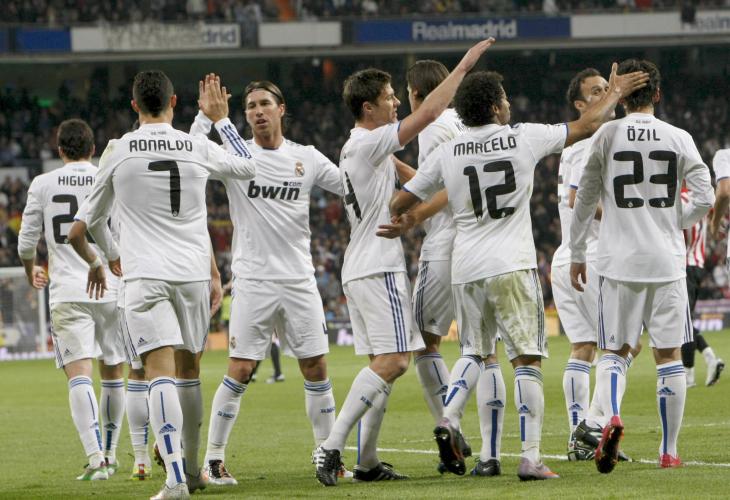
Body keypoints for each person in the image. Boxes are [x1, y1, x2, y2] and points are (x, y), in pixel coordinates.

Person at [389, 64, 649, 480]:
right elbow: (586, 125)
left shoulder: (447, 152)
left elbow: (401, 202)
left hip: (465, 268)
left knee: (473, 353)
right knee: (526, 360)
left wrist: (404, 218)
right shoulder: (523, 137)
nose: (509, 103)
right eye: (505, 98)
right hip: (512, 263)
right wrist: (615, 93)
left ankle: (449, 417)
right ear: (495, 107)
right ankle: (530, 458)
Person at [312, 38, 497, 487]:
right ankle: (331, 446)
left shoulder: (358, 146)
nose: (396, 102)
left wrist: (414, 185)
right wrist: (463, 67)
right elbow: (429, 113)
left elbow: (417, 180)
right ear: (368, 107)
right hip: (379, 266)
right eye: (389, 97)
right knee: (396, 361)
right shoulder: (372, 140)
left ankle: (367, 461)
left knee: (383, 366)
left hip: (360, 266)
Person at [69, 70, 256, 500]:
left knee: (158, 373)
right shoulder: (195, 144)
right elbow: (248, 166)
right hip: (192, 275)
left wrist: (111, 254)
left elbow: (90, 222)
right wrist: (221, 120)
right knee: (190, 371)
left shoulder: (118, 149)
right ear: (174, 103)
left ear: (135, 106)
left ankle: (174, 480)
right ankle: (192, 471)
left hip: (145, 275)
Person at [189, 78, 345, 485]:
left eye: (264, 104)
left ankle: (327, 453)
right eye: (250, 106)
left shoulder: (306, 157)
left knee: (316, 365)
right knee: (241, 368)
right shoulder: (234, 157)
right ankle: (214, 459)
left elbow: (348, 185)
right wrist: (207, 118)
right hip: (254, 280)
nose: (257, 111)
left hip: (298, 279)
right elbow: (191, 152)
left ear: (281, 108)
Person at [570, 59, 714, 473]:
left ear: (621, 96)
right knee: (669, 356)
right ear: (657, 94)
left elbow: (584, 198)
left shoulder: (606, 135)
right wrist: (675, 219)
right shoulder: (679, 137)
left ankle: (612, 417)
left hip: (617, 261)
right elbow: (705, 197)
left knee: (614, 352)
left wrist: (577, 252)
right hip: (666, 261)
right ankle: (668, 450)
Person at [403, 59, 505, 477]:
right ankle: (491, 452)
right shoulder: (464, 124)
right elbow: (434, 177)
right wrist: (398, 168)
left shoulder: (431, 127)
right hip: (483, 244)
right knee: (484, 350)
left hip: (445, 244)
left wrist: (412, 213)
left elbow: (444, 187)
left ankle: (451, 422)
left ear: (416, 93)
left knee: (424, 342)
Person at [16, 118, 126, 481]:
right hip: (110, 286)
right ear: (93, 149)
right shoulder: (107, 177)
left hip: (67, 291)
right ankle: (112, 453)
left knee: (79, 375)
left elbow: (26, 242)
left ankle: (97, 461)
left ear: (59, 149)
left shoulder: (43, 183)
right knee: (113, 370)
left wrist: (31, 269)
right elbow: (117, 230)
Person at [551, 68, 642, 461]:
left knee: (584, 347)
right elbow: (577, 199)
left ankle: (580, 437)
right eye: (596, 91)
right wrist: (627, 216)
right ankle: (592, 424)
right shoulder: (590, 142)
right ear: (579, 104)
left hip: (568, 257)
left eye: (607, 88)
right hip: (591, 260)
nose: (606, 94)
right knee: (623, 346)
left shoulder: (580, 142)